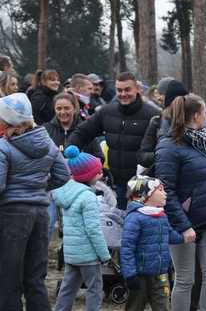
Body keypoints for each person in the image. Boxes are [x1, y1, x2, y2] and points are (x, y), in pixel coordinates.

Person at [155, 94, 206, 311]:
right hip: (182, 223)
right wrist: (183, 225)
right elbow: (167, 191)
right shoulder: (168, 147)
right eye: (205, 112)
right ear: (195, 115)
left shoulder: (203, 141)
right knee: (185, 278)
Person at [0, 93, 70, 311]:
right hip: (41, 213)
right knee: (36, 276)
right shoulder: (49, 144)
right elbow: (64, 175)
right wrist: (40, 188)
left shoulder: (4, 147)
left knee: (8, 276)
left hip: (12, 215)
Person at [117, 175, 191, 311]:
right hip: (139, 275)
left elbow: (168, 235)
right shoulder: (135, 218)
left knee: (163, 310)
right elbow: (127, 248)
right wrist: (129, 273)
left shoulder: (160, 216)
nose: (165, 194)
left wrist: (183, 238)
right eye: (160, 190)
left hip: (159, 273)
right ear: (145, 195)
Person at [67, 72, 160, 209]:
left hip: (144, 182)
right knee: (121, 222)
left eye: (127, 89)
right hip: (118, 183)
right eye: (119, 90)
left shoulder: (153, 115)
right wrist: (71, 150)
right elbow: (83, 132)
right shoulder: (107, 112)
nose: (123, 94)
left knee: (141, 223)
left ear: (137, 89)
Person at [52, 146, 113, 311]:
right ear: (88, 175)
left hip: (72, 252)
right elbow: (93, 230)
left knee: (68, 286)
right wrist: (104, 254)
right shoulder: (88, 197)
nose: (101, 173)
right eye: (98, 171)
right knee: (95, 288)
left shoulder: (66, 194)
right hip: (88, 254)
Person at [44, 93, 103, 239]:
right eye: (59, 108)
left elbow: (99, 156)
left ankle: (71, 254)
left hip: (79, 187)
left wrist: (86, 170)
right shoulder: (46, 130)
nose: (63, 112)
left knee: (76, 227)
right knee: (47, 223)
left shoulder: (84, 130)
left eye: (66, 108)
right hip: (53, 186)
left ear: (75, 108)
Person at [136, 80, 189, 176]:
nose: (159, 99)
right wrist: (164, 155)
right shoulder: (156, 121)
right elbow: (142, 156)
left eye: (162, 96)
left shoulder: (192, 122)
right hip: (162, 176)